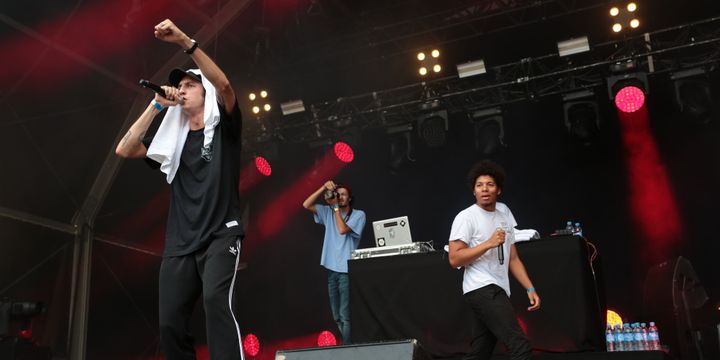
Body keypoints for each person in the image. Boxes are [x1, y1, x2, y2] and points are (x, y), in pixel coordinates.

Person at [115, 19, 245, 360]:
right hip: (180, 242)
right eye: (179, 86)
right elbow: (125, 149)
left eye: (190, 85)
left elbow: (226, 85)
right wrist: (157, 105)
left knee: (217, 302)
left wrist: (185, 42)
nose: (182, 90)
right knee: (170, 323)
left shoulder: (225, 127)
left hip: (221, 235)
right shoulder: (172, 145)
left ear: (205, 93)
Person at [448, 160, 541, 360]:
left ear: (498, 190)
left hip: (498, 287)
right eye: (479, 185)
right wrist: (488, 243)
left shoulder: (504, 212)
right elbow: (454, 258)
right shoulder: (466, 217)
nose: (484, 189)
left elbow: (513, 257)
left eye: (490, 184)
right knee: (520, 346)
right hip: (481, 287)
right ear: (473, 190)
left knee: (480, 352)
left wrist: (530, 288)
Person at [302, 181, 366, 344]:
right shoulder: (328, 211)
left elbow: (342, 230)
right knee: (336, 317)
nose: (340, 197)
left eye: (344, 194)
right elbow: (306, 204)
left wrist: (336, 207)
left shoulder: (358, 215)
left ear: (350, 198)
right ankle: (348, 344)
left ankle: (347, 349)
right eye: (338, 194)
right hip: (331, 270)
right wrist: (323, 187)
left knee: (345, 315)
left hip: (346, 269)